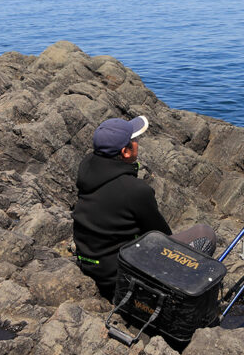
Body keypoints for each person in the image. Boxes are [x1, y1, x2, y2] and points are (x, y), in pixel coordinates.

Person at [72, 115, 217, 299]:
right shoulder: (135, 190)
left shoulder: (87, 169)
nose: (137, 142)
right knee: (204, 234)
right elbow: (161, 237)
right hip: (121, 278)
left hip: (92, 265)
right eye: (134, 140)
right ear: (125, 152)